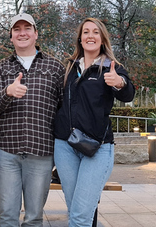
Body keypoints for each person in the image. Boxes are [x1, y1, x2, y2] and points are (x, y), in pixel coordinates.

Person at [53, 17, 135, 227]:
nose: (90, 36)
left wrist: (119, 83)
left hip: (97, 146)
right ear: (80, 39)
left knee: (81, 215)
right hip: (65, 146)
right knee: (76, 211)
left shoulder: (111, 67)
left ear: (102, 39)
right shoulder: (69, 69)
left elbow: (128, 93)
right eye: (86, 32)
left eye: (95, 32)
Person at [0, 13, 65, 227]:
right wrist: (8, 92)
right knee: (7, 217)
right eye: (17, 29)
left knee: (34, 218)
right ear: (11, 37)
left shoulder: (55, 67)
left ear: (36, 34)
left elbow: (63, 110)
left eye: (27, 28)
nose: (22, 33)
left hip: (41, 152)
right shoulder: (3, 67)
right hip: (7, 152)